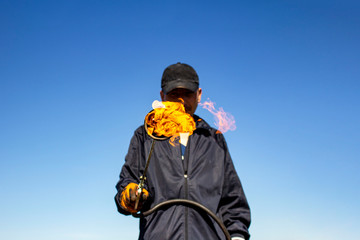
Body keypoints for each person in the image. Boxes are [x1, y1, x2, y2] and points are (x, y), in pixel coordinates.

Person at [115, 62, 251, 240]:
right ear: (162, 96)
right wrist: (130, 196)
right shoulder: (146, 136)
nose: (181, 101)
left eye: (187, 93)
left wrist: (238, 237)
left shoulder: (214, 139)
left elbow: (233, 200)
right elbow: (127, 184)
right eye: (174, 94)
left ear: (199, 95)